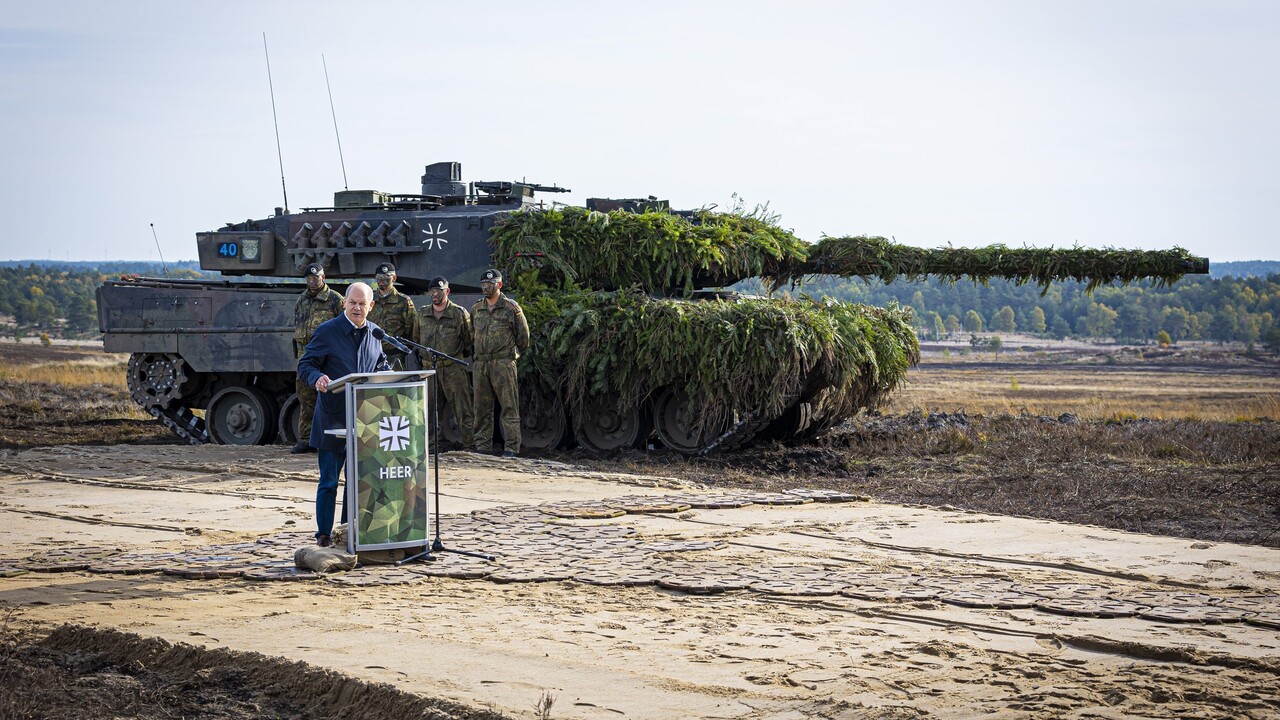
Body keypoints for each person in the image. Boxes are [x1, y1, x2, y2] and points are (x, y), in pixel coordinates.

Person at [296, 283, 390, 547]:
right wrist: (317, 378)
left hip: (364, 420)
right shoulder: (327, 331)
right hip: (332, 419)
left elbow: (381, 365)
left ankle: (349, 533)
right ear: (344, 303)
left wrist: (390, 377)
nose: (357, 308)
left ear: (371, 306)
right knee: (329, 482)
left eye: (362, 304)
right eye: (353, 303)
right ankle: (324, 535)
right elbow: (305, 365)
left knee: (356, 481)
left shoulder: (375, 334)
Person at [470, 268, 529, 457]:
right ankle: (483, 446)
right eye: (483, 284)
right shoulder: (477, 308)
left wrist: (510, 355)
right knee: (481, 408)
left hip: (503, 362)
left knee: (509, 406)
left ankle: (511, 447)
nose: (486, 287)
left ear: (499, 285)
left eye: (490, 284)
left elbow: (523, 337)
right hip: (481, 364)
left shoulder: (511, 308)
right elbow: (472, 334)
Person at [414, 276, 475, 450]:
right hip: (429, 369)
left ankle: (469, 446)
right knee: (429, 410)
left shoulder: (459, 313)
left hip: (453, 368)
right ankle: (433, 447)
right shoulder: (422, 314)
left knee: (463, 409)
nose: (435, 294)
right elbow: (416, 339)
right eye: (432, 291)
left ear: (447, 291)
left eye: (438, 291)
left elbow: (468, 341)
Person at [291, 263, 343, 454]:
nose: (312, 282)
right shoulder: (302, 299)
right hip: (305, 355)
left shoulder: (335, 299)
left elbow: (343, 327)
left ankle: (329, 439)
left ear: (323, 278)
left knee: (329, 398)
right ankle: (306, 439)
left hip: (327, 356)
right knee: (306, 398)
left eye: (316, 278)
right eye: (309, 279)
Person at [366, 262, 418, 369]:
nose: (382, 281)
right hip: (371, 355)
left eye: (386, 277)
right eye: (379, 278)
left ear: (394, 278)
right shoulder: (369, 300)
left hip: (395, 357)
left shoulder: (403, 302)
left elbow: (412, 331)